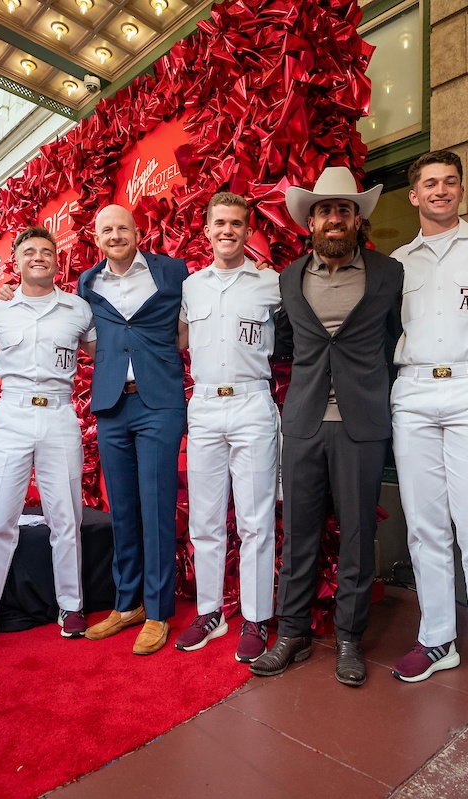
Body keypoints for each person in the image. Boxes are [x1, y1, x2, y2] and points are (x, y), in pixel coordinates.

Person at [249, 166, 403, 687]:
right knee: (299, 535)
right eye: (324, 210)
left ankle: (348, 639)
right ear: (309, 221)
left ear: (356, 219)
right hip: (304, 423)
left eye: (343, 209)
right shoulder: (288, 278)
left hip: (361, 422)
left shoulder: (389, 274)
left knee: (359, 537)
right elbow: (287, 344)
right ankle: (291, 634)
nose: (333, 218)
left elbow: (395, 338)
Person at [388, 150, 468, 695]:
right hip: (413, 391)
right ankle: (437, 637)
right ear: (414, 195)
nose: (440, 190)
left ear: (461, 190)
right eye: (429, 183)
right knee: (424, 526)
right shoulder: (396, 263)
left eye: (450, 182)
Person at [0, 225, 96, 653]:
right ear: (16, 261)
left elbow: (104, 352)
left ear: (57, 261)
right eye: (30, 252)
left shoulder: (78, 308)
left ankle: (71, 605)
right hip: (12, 413)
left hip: (60, 414)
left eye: (47, 251)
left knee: (66, 516)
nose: (39, 257)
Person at [77, 204, 189, 655]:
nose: (115, 234)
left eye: (122, 227)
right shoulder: (87, 282)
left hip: (158, 401)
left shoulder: (173, 272)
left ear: (137, 232)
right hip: (110, 405)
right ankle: (127, 605)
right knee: (121, 508)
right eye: (107, 229)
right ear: (96, 236)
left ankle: (158, 610)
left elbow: (188, 324)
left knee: (156, 506)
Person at [175, 192, 281, 662]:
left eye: (237, 223)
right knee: (205, 518)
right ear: (207, 229)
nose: (228, 231)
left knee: (256, 519)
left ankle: (257, 617)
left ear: (247, 230)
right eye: (220, 222)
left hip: (253, 404)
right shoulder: (190, 287)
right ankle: (210, 611)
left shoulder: (271, 285)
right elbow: (179, 338)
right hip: (203, 406)